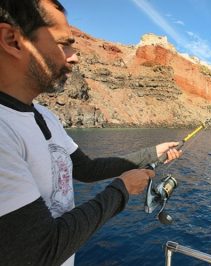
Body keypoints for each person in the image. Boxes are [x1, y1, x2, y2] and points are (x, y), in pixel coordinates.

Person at [0, 0, 182, 265]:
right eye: (64, 44)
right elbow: (40, 250)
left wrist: (153, 152)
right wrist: (121, 189)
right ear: (12, 40)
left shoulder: (45, 116)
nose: (74, 56)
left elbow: (86, 169)